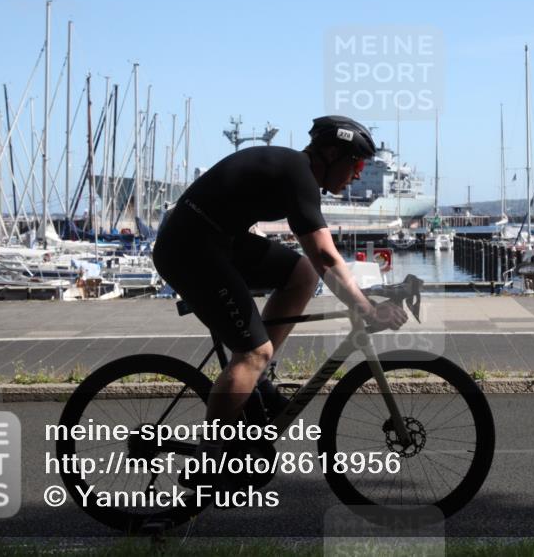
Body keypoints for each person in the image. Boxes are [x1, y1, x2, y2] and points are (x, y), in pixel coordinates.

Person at [152, 115, 408, 433]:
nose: (356, 177)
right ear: (330, 155)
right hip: (187, 249)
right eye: (356, 167)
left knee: (302, 274)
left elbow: (316, 263)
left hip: (216, 240)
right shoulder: (296, 175)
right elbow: (326, 256)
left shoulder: (295, 173)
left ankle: (256, 378)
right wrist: (366, 307)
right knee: (253, 351)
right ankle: (211, 459)